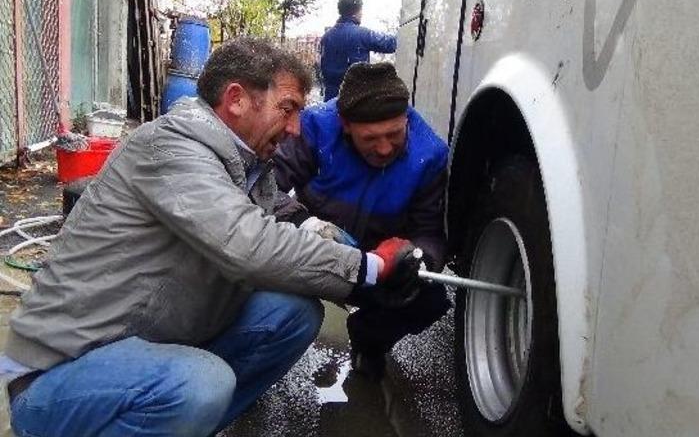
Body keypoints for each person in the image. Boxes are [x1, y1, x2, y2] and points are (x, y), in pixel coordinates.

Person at [1, 37, 422, 437]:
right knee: (201, 383)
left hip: (136, 349)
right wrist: (370, 266)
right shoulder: (171, 147)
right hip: (59, 375)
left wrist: (328, 239)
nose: (296, 128)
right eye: (288, 108)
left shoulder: (247, 164)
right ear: (236, 99)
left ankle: (183, 425)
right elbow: (248, 244)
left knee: (293, 313)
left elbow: (276, 220)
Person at [274, 62, 450, 380]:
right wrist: (303, 221)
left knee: (429, 299)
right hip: (309, 249)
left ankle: (368, 341)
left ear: (406, 119)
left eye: (394, 134)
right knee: (252, 269)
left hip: (373, 263)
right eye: (370, 138)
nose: (384, 149)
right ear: (345, 124)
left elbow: (429, 231)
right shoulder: (314, 127)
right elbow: (264, 187)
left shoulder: (430, 155)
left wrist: (418, 259)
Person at [320, 0, 397, 101]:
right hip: (355, 98)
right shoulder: (362, 34)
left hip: (331, 97)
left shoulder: (326, 37)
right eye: (361, 11)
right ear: (355, 13)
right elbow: (390, 44)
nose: (362, 14)